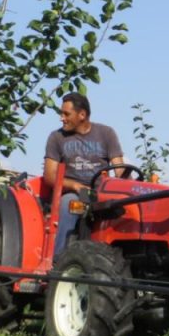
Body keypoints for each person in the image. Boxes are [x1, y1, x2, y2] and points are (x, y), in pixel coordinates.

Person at [43, 92, 125, 254]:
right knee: (69, 205)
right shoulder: (57, 138)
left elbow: (120, 169)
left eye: (66, 114)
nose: (62, 118)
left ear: (82, 115)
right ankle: (57, 259)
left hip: (100, 193)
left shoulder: (106, 133)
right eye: (62, 113)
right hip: (73, 194)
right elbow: (50, 176)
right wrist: (75, 186)